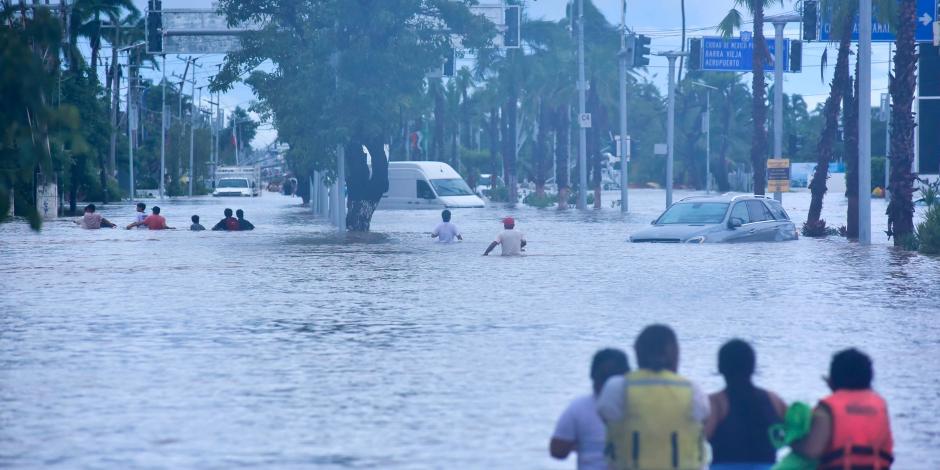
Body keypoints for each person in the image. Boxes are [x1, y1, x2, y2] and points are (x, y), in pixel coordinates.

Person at [597, 324, 709, 470]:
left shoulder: (618, 387)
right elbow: (703, 420)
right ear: (676, 355)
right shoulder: (691, 389)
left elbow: (606, 418)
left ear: (637, 354)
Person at [792, 348, 893, 469]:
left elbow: (811, 451)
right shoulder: (880, 406)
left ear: (832, 381)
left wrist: (792, 441)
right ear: (869, 378)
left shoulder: (826, 409)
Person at [704, 339, 787, 470]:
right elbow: (792, 438)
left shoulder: (716, 402)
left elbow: (697, 440)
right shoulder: (774, 400)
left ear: (720, 367)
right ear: (753, 367)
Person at [550, 349, 630, 470]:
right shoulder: (640, 407)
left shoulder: (579, 408)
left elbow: (558, 451)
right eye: (604, 378)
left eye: (612, 378)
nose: (608, 384)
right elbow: (557, 451)